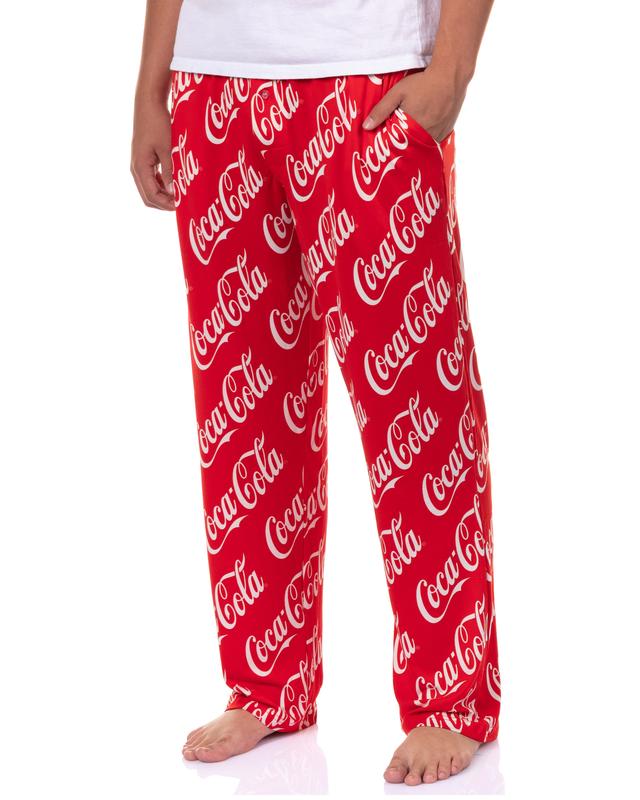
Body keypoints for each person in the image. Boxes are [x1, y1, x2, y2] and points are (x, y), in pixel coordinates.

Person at [130, 0, 500, 786]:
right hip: (215, 84)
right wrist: (152, 88)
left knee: (417, 408)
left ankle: (452, 696)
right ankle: (267, 683)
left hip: (368, 78)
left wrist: (452, 67)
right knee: (244, 410)